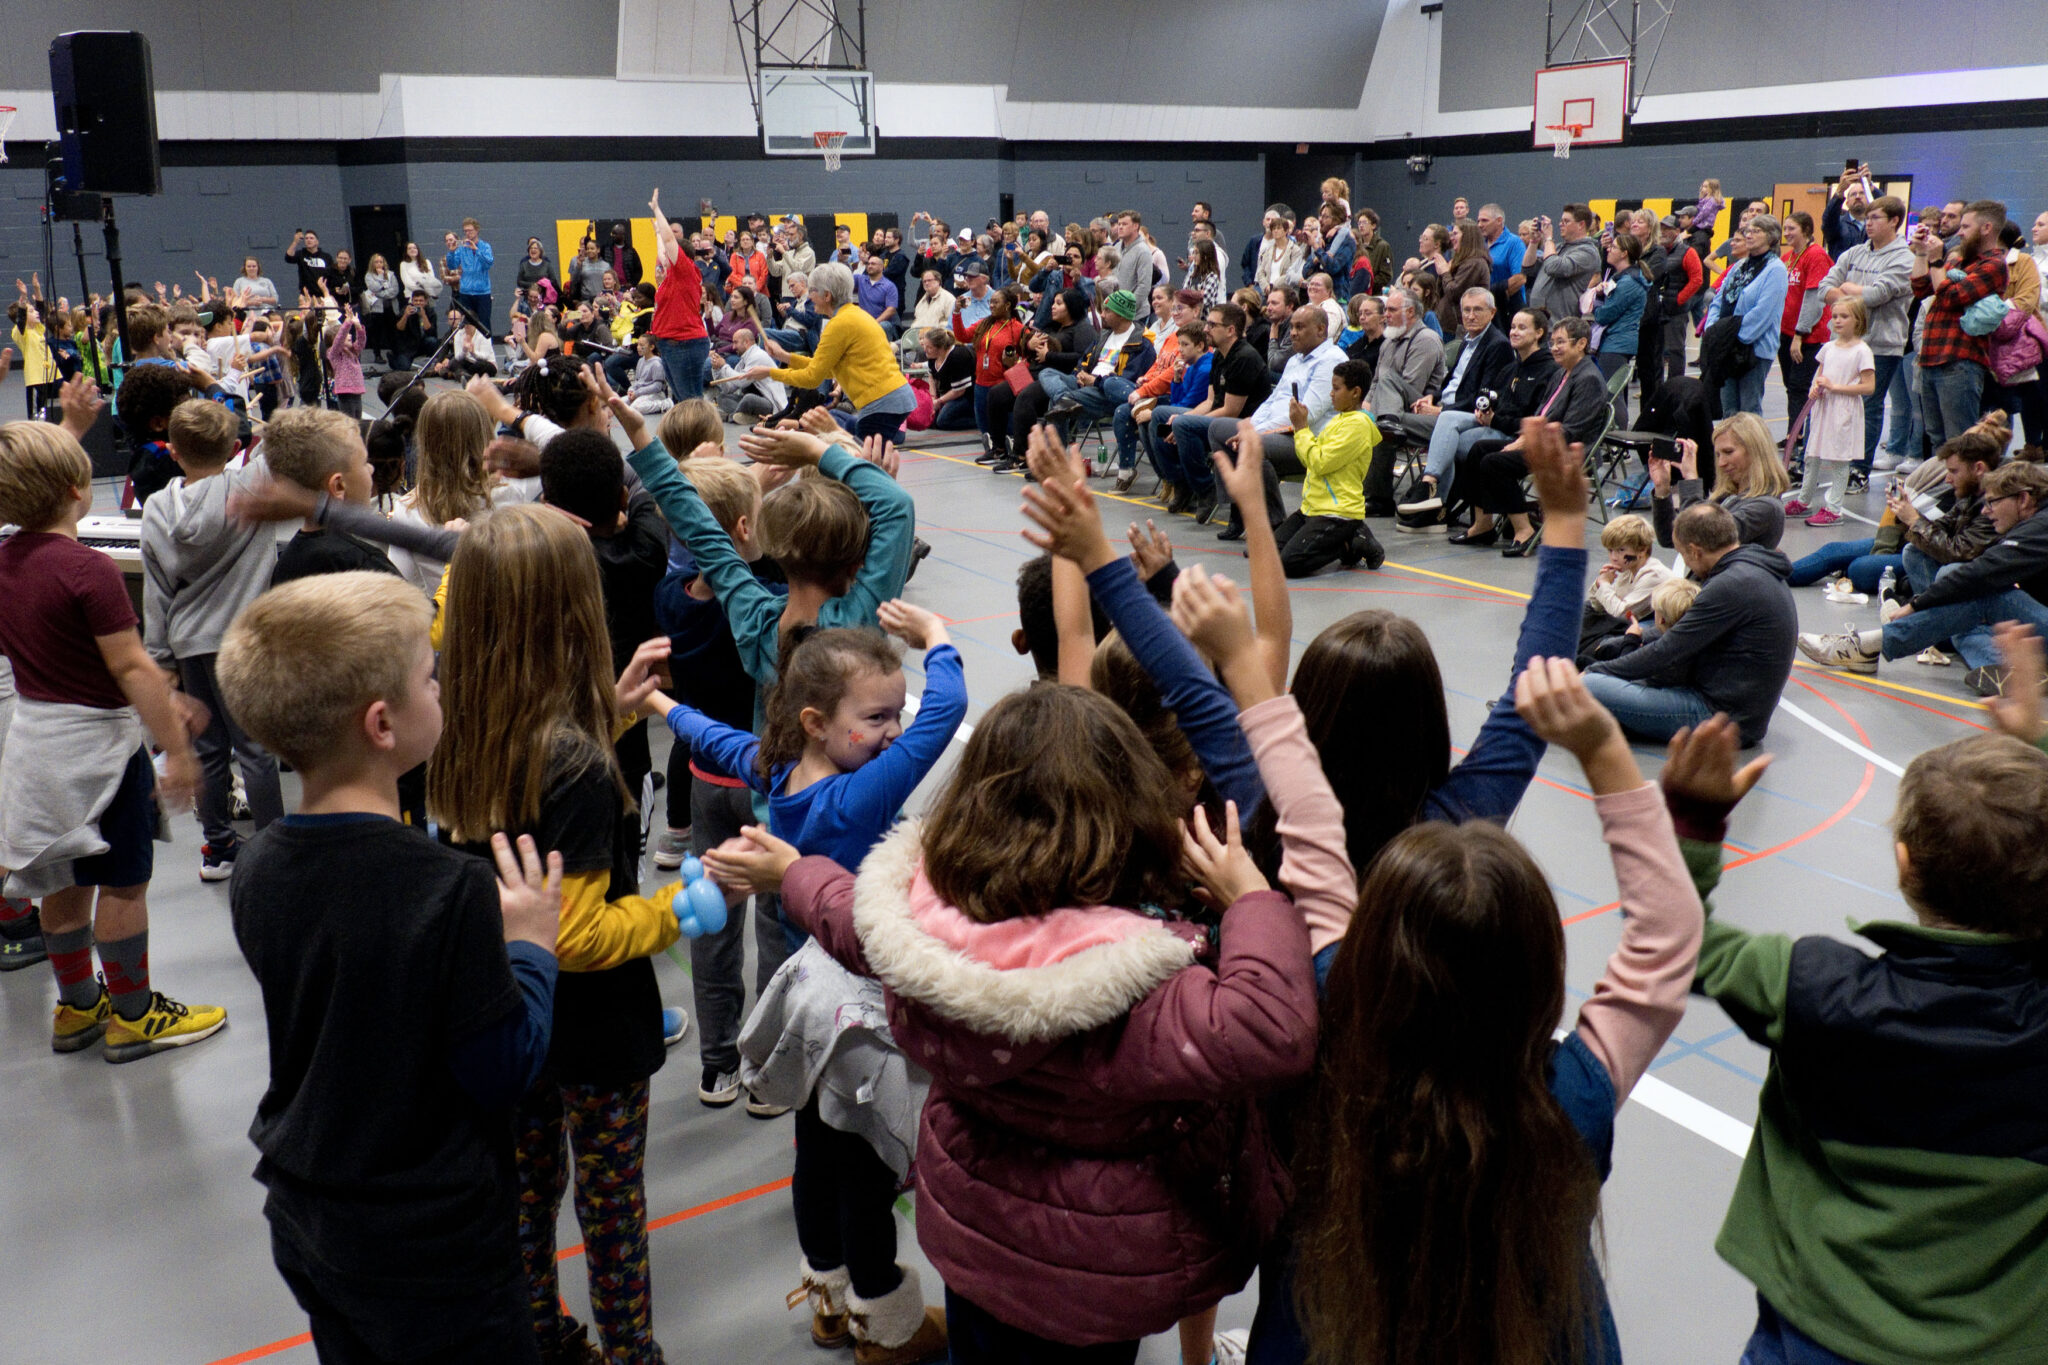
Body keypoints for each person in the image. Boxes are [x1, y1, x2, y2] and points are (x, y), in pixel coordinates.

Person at [715, 590, 1336, 1363]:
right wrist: (1253, 903)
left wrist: (793, 871)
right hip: (1096, 1275)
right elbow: (1271, 1031)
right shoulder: (1140, 982)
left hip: (976, 1239)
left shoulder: (923, 937)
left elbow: (851, 916)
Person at [1292, 657, 1710, 1365]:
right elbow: (1668, 934)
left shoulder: (1342, 1042)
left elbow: (1316, 850)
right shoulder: (1570, 1099)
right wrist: (1604, 752)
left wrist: (1248, 671)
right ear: (1538, 969)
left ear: (1370, 957)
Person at [215, 570, 562, 1363]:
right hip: (433, 1240)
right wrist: (531, 947)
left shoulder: (258, 863)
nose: (440, 689)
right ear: (382, 723)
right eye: (429, 678)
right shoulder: (449, 888)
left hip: (309, 1210)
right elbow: (503, 1064)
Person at [645, 611, 965, 1365]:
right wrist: (939, 637)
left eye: (896, 714)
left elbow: (714, 736)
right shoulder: (858, 795)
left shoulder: (781, 767)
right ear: (819, 722)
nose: (893, 731)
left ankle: (824, 1292)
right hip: (862, 1013)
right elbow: (945, 711)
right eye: (877, 717)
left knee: (817, 1151)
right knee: (867, 1171)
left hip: (810, 1002)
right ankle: (882, 1316)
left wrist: (658, 706)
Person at [1690, 712, 2048, 1365]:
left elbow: (1673, 947)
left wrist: (1691, 831)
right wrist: (2033, 753)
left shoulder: (1815, 990)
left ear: (1904, 864)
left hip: (1817, 1334)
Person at [422, 504, 683, 1364]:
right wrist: (684, 909)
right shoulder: (569, 758)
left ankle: (540, 1328)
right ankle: (631, 1349)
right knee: (611, 1205)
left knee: (528, 1189)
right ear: (574, 610)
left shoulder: (456, 725)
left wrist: (608, 717)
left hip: (503, 1006)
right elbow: (578, 932)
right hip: (595, 1023)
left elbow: (526, 811)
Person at [0, 409, 225, 1060]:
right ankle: (134, 1011)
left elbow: (72, 657)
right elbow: (128, 666)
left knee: (62, 881)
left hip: (36, 747)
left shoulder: (7, 564)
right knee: (124, 881)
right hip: (103, 751)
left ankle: (77, 1007)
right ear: (79, 488)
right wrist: (177, 750)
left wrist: (158, 699)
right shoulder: (88, 570)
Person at [645, 455, 793, 1109]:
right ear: (740, 527)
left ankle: (717, 1063)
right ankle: (766, 1063)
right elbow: (763, 558)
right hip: (764, 777)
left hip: (706, 776)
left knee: (713, 924)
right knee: (775, 921)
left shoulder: (670, 597)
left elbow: (720, 551)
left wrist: (738, 503)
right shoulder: (769, 595)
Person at [139, 397, 284, 881]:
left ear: (173, 451)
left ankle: (218, 848)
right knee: (257, 750)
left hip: (189, 645)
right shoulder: (252, 484)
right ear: (236, 447)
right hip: (246, 644)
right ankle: (274, 850)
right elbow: (289, 433)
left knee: (209, 750)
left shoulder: (158, 507)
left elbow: (157, 594)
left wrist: (161, 658)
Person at [1799, 457, 2048, 696]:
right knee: (1964, 614)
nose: (1985, 511)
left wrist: (1917, 604)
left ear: (2024, 499)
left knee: (1982, 596)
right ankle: (2012, 671)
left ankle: (1868, 646)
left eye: (1992, 503)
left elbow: (1981, 571)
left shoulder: (2040, 528)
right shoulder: (2016, 517)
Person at [1583, 502, 1797, 744]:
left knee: (1590, 685)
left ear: (1695, 551)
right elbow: (1681, 636)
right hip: (1736, 708)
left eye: (1683, 555)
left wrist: (1592, 671)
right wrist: (1634, 640)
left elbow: (1668, 651)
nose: (1686, 564)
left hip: (1720, 718)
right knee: (1626, 649)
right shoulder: (1751, 568)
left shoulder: (1729, 585)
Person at [1455, 317, 1608, 555]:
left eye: (1561, 342)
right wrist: (1523, 439)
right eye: (1552, 342)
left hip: (1562, 449)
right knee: (1479, 449)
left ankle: (1524, 530)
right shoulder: (1562, 373)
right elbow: (1542, 413)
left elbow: (1572, 431)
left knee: (1495, 463)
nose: (1554, 348)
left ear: (1581, 344)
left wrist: (1528, 441)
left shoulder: (1588, 378)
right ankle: (1483, 524)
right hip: (1540, 439)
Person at [1393, 300, 1542, 530]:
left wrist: (1491, 416)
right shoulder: (1504, 364)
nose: (1514, 332)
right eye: (1513, 327)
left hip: (1507, 431)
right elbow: (1466, 386)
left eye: (1522, 328)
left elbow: (1525, 416)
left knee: (1448, 438)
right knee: (1444, 426)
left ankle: (1436, 504)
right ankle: (1431, 494)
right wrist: (1435, 397)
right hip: (1478, 418)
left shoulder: (1513, 354)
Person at [744, 263, 914, 446]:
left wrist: (770, 372)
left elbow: (812, 378)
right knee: (854, 445)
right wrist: (784, 356)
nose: (809, 296)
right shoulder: (855, 315)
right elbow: (826, 370)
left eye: (813, 290)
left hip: (882, 403)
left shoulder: (838, 324)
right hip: (893, 398)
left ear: (827, 296)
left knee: (862, 458)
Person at [1818, 194, 1915, 477]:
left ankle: (1858, 470)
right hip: (1842, 343)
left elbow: (1878, 294)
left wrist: (1848, 289)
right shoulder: (1854, 253)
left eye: (1876, 218)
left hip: (1881, 344)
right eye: (1867, 218)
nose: (1868, 223)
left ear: (1894, 221)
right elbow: (1825, 287)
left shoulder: (1903, 258)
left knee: (1868, 406)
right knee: (1832, 399)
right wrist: (1853, 292)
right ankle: (1831, 460)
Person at [1910, 199, 2009, 450]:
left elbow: (1953, 297)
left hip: (1959, 361)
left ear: (1986, 228)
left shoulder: (1994, 265)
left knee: (1960, 441)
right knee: (1936, 438)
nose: (1960, 232)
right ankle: (1945, 487)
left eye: (1965, 226)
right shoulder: (1956, 262)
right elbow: (1922, 288)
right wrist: (1922, 253)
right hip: (1931, 357)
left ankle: (1964, 490)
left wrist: (1935, 262)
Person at [1272, 358, 1383, 575]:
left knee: (1289, 564)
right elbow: (1313, 456)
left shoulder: (1357, 426)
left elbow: (1319, 463)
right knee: (1270, 553)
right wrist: (1303, 432)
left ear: (1355, 392)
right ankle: (1349, 539)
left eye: (1336, 388)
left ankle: (1352, 542)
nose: (1331, 394)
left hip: (1337, 511)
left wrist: (1301, 428)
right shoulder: (1339, 420)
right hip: (1313, 507)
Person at [1165, 303, 1274, 523]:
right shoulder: (1220, 356)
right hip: (1220, 417)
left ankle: (1206, 489)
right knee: (1162, 416)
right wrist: (1185, 417)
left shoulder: (1243, 358)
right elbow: (1211, 401)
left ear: (1231, 330)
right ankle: (1181, 481)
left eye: (1212, 325)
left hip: (1242, 424)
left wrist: (1187, 422)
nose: (1206, 329)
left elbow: (1231, 411)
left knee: (1182, 426)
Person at [266, 407, 401, 583]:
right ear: (338, 486)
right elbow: (426, 610)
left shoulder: (286, 564)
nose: (371, 469)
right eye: (363, 462)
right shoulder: (365, 563)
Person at [1785, 297, 1875, 527]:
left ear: (1858, 320)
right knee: (1811, 454)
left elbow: (1868, 386)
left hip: (1843, 410)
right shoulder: (1828, 347)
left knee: (1838, 459)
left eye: (1844, 316)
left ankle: (1834, 508)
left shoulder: (1862, 351)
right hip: (1823, 408)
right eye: (1835, 316)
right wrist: (1816, 387)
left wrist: (1837, 388)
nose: (1838, 321)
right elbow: (1820, 374)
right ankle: (1804, 500)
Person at [1651, 410, 1790, 550]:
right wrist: (1662, 489)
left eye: (1728, 452)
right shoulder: (1728, 496)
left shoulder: (1765, 508)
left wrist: (1690, 480)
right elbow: (1671, 537)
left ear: (1755, 451)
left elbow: (1698, 536)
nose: (1721, 463)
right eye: (1718, 455)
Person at [1703, 212, 1790, 416]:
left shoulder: (1775, 270)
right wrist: (1713, 329)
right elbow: (1719, 299)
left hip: (1753, 350)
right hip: (1727, 346)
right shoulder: (1739, 266)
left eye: (1756, 231)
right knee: (1728, 410)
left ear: (1771, 237)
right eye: (1747, 231)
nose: (1749, 235)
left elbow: (1763, 313)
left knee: (1748, 410)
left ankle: (1751, 448)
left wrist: (1735, 337)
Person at [1578, 512, 1674, 661]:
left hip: (1655, 624)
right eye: (1610, 550)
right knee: (1582, 614)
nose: (1614, 557)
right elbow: (1597, 605)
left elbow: (1622, 613)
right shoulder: (1627, 568)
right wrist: (1599, 584)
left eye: (1621, 550)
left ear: (1642, 549)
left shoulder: (1653, 574)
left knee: (1596, 643)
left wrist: (1604, 585)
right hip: (1633, 617)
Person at [646, 190, 711, 404]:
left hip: (685, 344)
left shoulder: (685, 271)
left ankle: (704, 436)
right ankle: (689, 437)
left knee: (692, 401)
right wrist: (656, 233)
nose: (662, 255)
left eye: (667, 252)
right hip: (669, 344)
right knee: (683, 401)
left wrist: (657, 210)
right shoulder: (670, 278)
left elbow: (668, 239)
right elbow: (662, 245)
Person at [1778, 211, 1835, 453]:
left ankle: (1800, 437)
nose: (1787, 233)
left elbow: (1814, 299)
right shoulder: (1788, 257)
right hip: (1786, 333)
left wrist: (1799, 335)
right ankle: (1796, 433)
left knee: (1801, 387)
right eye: (1785, 229)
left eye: (1792, 228)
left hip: (1808, 337)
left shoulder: (1816, 256)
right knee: (1792, 387)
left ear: (1806, 230)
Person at [1591, 230, 1650, 428]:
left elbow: (1605, 315)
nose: (1609, 249)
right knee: (1612, 392)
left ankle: (1618, 442)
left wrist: (1598, 300)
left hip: (1616, 343)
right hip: (1615, 342)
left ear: (1624, 253)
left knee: (1612, 393)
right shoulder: (1623, 279)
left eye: (1614, 247)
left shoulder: (1628, 283)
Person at [1529, 205, 1603, 324]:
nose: (1560, 224)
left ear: (1581, 225)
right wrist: (1533, 242)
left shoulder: (1588, 252)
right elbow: (1528, 269)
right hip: (1538, 322)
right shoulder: (1557, 247)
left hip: (1559, 324)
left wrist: (1548, 239)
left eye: (1566, 221)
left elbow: (1554, 267)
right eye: (1561, 221)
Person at [446, 218, 495, 330]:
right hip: (466, 291)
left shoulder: (485, 246)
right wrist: (452, 252)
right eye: (465, 231)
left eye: (470, 230)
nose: (468, 233)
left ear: (477, 230)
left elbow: (488, 264)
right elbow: (452, 265)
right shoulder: (462, 247)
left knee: (484, 323)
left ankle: (485, 346)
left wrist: (476, 250)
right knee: (468, 324)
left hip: (482, 291)